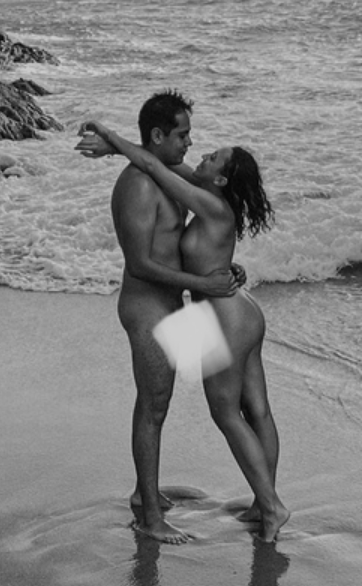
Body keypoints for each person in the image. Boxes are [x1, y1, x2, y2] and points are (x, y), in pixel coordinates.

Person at [78, 112, 289, 543]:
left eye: (211, 157)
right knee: (257, 410)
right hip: (242, 310)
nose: (198, 151)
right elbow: (158, 164)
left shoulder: (205, 200)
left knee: (226, 413)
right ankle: (261, 502)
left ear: (222, 179)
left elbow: (153, 164)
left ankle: (271, 507)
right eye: (187, 136)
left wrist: (110, 137)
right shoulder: (210, 195)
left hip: (224, 316)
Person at [94, 91, 246, 544]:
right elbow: (140, 263)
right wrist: (203, 285)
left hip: (171, 304)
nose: (189, 143)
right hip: (146, 308)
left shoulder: (166, 175)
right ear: (158, 135)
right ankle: (150, 519)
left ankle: (146, 494)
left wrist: (223, 270)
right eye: (182, 135)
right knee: (153, 407)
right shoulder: (139, 187)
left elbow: (190, 235)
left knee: (178, 401)